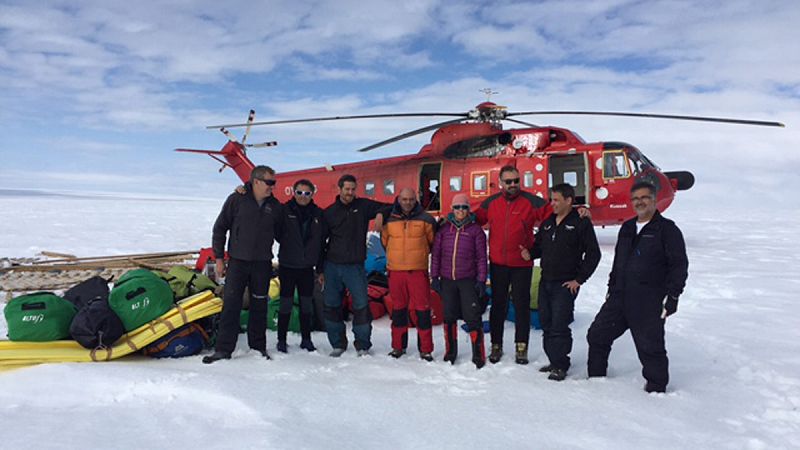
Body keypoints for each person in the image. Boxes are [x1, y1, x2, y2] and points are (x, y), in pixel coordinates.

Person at [586, 181, 688, 393]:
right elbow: (619, 261)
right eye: (635, 199)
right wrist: (611, 287)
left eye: (644, 197)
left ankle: (656, 389)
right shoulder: (627, 227)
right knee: (597, 335)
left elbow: (679, 265)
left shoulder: (667, 230)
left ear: (654, 200)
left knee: (650, 346)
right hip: (620, 296)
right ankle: (596, 381)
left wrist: (673, 296)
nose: (640, 202)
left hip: (648, 301)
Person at [203, 165, 282, 364]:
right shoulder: (237, 200)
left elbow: (283, 234)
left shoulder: (274, 206)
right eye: (269, 182)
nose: (272, 186)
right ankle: (223, 349)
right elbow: (220, 229)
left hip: (262, 264)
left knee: (259, 306)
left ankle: (258, 347)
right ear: (256, 181)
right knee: (231, 305)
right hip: (238, 262)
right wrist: (219, 258)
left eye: (274, 182)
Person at [475, 165, 553, 364]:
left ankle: (521, 347)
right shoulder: (491, 203)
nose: (513, 185)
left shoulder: (531, 202)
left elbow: (556, 214)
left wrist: (579, 213)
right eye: (508, 181)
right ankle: (496, 345)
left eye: (516, 181)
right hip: (498, 264)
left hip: (522, 265)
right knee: (498, 306)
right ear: (500, 183)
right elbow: (472, 219)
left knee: (521, 306)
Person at [522, 183, 601, 381]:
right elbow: (539, 246)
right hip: (546, 281)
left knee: (559, 325)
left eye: (556, 200)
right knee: (546, 323)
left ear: (568, 200)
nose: (553, 203)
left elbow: (594, 254)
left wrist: (579, 280)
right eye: (551, 200)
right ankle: (553, 360)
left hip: (565, 284)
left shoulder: (580, 223)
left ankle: (561, 364)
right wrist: (529, 253)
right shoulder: (548, 222)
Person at [320, 174, 392, 357]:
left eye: (353, 189)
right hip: (332, 265)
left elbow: (390, 206)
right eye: (347, 189)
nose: (350, 192)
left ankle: (362, 345)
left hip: (355, 267)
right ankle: (337, 344)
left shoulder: (363, 206)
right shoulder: (329, 213)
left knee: (361, 306)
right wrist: (320, 269)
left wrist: (380, 214)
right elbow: (320, 243)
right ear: (339, 189)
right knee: (332, 306)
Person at [430, 193, 488, 368]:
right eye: (457, 207)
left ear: (468, 209)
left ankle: (478, 353)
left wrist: (481, 280)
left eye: (464, 207)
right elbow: (436, 255)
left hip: (467, 280)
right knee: (449, 316)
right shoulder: (444, 230)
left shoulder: (475, 230)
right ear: (452, 209)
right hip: (447, 280)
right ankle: (450, 352)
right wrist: (434, 276)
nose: (460, 210)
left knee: (472, 316)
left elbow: (481, 258)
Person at [381, 188, 437, 361]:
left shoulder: (426, 219)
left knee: (422, 310)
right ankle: (398, 347)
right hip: (396, 271)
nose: (408, 202)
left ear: (416, 200)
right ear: (399, 199)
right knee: (398, 310)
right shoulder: (389, 219)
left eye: (411, 199)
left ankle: (425, 349)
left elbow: (432, 242)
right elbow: (385, 242)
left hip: (417, 271)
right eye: (404, 199)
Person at [275, 179, 325, 353]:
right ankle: (281, 340)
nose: (303, 196)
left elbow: (321, 243)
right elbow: (276, 233)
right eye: (299, 192)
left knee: (306, 305)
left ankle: (306, 339)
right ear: (293, 193)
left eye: (307, 193)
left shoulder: (318, 214)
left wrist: (320, 269)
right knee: (285, 304)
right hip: (287, 266)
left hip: (307, 268)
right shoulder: (284, 211)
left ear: (312, 194)